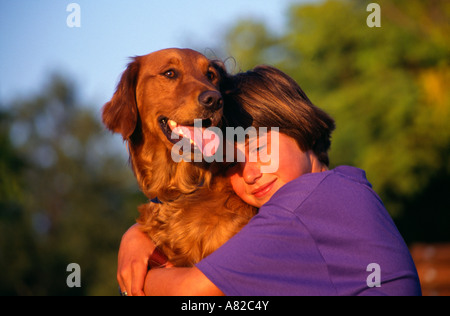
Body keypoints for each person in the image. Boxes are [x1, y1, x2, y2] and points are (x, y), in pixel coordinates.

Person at [117, 65, 422, 296]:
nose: (250, 173)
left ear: (298, 124)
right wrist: (138, 232)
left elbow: (190, 292)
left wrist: (142, 270)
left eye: (260, 148)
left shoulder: (307, 201)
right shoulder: (344, 186)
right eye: (232, 163)